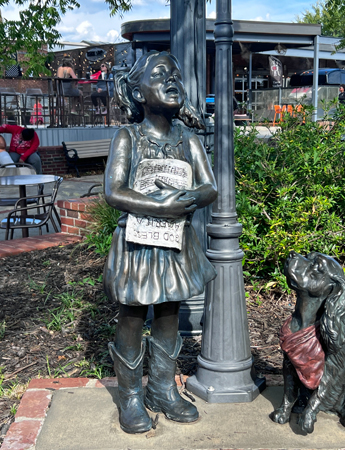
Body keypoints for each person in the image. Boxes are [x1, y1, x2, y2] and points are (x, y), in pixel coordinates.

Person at [104, 51, 217, 434]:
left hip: (174, 243)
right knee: (133, 314)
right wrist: (157, 203)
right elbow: (114, 191)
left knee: (170, 310)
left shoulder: (189, 139)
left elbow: (209, 187)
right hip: (137, 244)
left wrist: (186, 200)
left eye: (176, 76)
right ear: (137, 93)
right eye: (159, 75)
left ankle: (164, 388)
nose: (172, 81)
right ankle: (131, 395)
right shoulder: (128, 137)